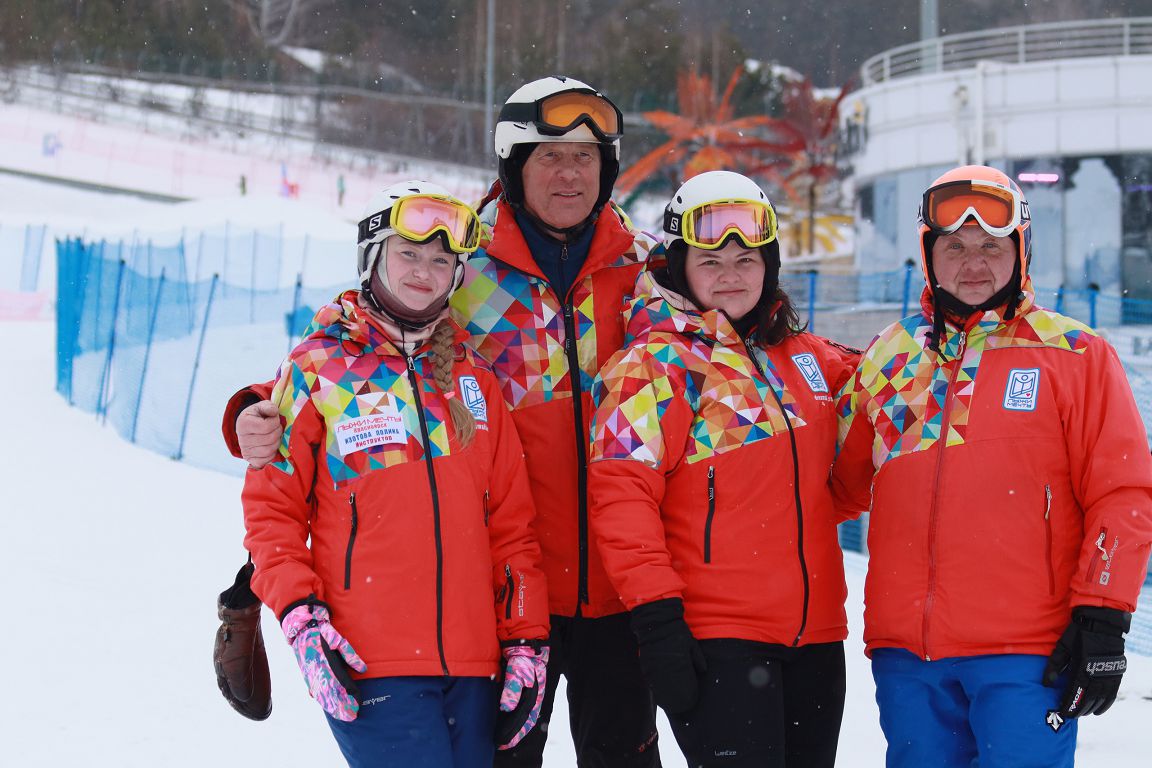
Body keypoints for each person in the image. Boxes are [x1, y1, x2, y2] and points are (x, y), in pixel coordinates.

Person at [225, 77, 662, 767]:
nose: (570, 173)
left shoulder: (643, 268)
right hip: (503, 596)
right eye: (549, 155)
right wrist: (255, 406)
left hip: (618, 587)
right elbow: (358, 346)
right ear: (513, 166)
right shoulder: (463, 257)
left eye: (585, 156)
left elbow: (722, 352)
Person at [832, 164, 1152, 768]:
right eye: (954, 246)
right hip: (908, 656)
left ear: (1021, 250)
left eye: (991, 246)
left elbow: (1124, 492)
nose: (972, 263)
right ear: (928, 255)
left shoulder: (1074, 354)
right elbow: (830, 488)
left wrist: (1104, 614)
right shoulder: (891, 355)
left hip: (1027, 653)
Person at [241, 181, 551, 768]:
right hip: (369, 660)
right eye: (408, 253)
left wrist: (526, 639)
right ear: (372, 257)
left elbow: (512, 528)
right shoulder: (319, 368)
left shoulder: (474, 380)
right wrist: (302, 619)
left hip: (475, 665)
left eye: (441, 260)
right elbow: (271, 514)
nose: (423, 272)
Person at [587, 171, 858, 767]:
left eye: (746, 259)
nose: (730, 275)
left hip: (816, 638)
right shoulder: (653, 366)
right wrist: (657, 621)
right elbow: (621, 502)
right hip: (720, 641)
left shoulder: (807, 358)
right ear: (680, 267)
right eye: (710, 261)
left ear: (770, 264)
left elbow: (864, 445)